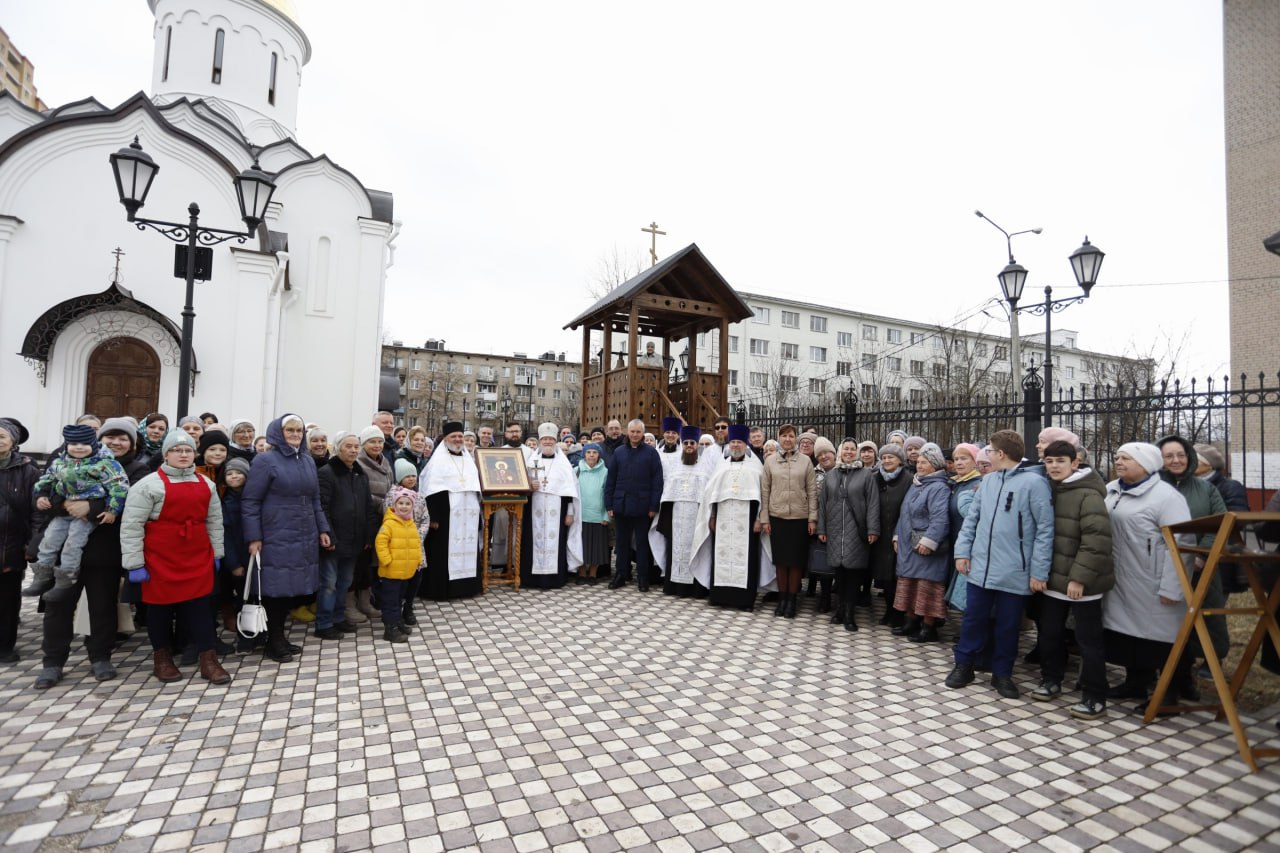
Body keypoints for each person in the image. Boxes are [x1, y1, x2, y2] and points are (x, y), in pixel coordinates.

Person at [946, 430, 1054, 699]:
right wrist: (962, 552)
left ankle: (1002, 673)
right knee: (973, 620)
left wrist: (1039, 571)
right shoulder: (989, 481)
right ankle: (964, 665)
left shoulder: (1034, 483)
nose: (988, 456)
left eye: (991, 451)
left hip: (1014, 570)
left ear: (1001, 454)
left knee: (1008, 625)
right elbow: (972, 520)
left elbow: (1044, 530)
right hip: (980, 567)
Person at [120, 429, 229, 684]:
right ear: (166, 454)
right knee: (160, 609)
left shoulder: (207, 484)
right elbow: (132, 526)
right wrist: (134, 564)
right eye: (176, 450)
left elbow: (214, 521)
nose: (183, 454)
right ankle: (162, 659)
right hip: (160, 557)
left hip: (197, 555)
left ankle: (208, 660)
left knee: (201, 608)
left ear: (194, 454)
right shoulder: (147, 485)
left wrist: (217, 553)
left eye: (188, 450)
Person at [1101, 442, 1196, 705]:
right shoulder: (1111, 490)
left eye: (1126, 458)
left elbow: (1182, 544)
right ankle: (1135, 683)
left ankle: (1169, 693)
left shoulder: (1166, 497)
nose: (1118, 462)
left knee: (1161, 638)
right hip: (1121, 577)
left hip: (1152, 580)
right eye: (1117, 457)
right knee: (1128, 636)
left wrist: (1173, 587)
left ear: (1146, 464)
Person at [1033, 439, 1114, 720]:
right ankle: (1050, 679)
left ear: (1075, 463)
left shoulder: (1089, 495)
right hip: (1053, 580)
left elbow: (1096, 541)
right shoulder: (1047, 489)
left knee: (1088, 640)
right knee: (1050, 633)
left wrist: (1079, 578)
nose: (1054, 466)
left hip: (1082, 583)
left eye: (1060, 461)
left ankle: (1094, 695)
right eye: (1049, 461)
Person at [241, 414, 332, 663]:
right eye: (290, 430)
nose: (295, 434)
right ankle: (273, 640)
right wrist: (254, 536)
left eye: (299, 430)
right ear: (278, 433)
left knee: (291, 588)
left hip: (303, 532)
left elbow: (314, 499)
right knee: (275, 589)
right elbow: (251, 501)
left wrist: (322, 529)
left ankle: (279, 637)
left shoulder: (307, 459)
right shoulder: (265, 460)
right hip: (275, 532)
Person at [1156, 435, 1228, 700]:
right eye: (1169, 456)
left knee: (1195, 623)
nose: (1176, 460)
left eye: (1181, 455)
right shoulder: (1154, 487)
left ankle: (1185, 680)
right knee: (1162, 625)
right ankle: (1154, 678)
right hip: (1160, 568)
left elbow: (1220, 523)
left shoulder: (1205, 489)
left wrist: (1201, 555)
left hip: (1199, 569)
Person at [25, 424, 130, 603]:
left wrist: (111, 510)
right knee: (50, 539)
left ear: (93, 444)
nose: (79, 447)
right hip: (64, 511)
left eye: (84, 444)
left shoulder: (105, 464)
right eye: (73, 444)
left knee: (73, 543)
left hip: (87, 515)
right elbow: (46, 480)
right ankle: (42, 575)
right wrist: (41, 495)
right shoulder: (60, 463)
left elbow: (119, 487)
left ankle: (66, 579)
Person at [690, 425, 775, 611]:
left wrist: (759, 519)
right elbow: (711, 495)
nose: (736, 445)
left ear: (746, 445)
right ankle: (719, 597)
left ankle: (745, 600)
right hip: (722, 522)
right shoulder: (722, 466)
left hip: (748, 523)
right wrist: (712, 516)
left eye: (739, 442)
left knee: (747, 559)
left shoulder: (756, 467)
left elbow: (763, 495)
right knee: (721, 556)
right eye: (733, 442)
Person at [315, 433, 380, 639]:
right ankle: (324, 623)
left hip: (355, 539)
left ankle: (338, 617)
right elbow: (322, 507)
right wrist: (328, 533)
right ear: (337, 448)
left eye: (356, 447)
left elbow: (367, 507)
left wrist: (368, 536)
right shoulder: (327, 473)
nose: (353, 450)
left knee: (345, 581)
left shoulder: (360, 474)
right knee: (329, 583)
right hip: (334, 539)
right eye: (348, 446)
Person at [891, 442, 952, 643]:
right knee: (910, 583)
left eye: (924, 462)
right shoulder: (917, 484)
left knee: (927, 586)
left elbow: (940, 519)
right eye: (918, 462)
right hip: (909, 544)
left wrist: (930, 541)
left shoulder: (939, 488)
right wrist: (897, 535)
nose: (919, 465)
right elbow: (904, 513)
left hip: (924, 547)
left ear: (935, 464)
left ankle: (929, 626)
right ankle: (911, 621)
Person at [817, 439, 879, 631]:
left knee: (853, 574)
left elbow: (873, 503)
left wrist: (873, 529)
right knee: (839, 573)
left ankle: (850, 614)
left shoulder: (866, 475)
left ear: (857, 452)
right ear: (840, 452)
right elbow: (823, 504)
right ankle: (840, 610)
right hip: (835, 530)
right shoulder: (831, 475)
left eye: (853, 449)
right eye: (846, 449)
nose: (849, 452)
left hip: (856, 531)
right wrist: (822, 528)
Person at [650, 426, 719, 597]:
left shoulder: (705, 468)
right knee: (676, 551)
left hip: (697, 518)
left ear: (697, 446)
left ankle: (696, 588)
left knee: (698, 550)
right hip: (677, 519)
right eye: (686, 442)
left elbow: (708, 495)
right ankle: (676, 587)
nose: (689, 446)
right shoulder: (675, 468)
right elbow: (667, 495)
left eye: (692, 443)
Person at [420, 421, 483, 599]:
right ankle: (442, 591)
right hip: (445, 517)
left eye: (460, 436)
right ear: (445, 439)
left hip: (468, 516)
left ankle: (467, 588)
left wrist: (478, 518)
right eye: (453, 436)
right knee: (442, 553)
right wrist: (433, 518)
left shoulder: (469, 461)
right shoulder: (437, 461)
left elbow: (476, 490)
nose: (457, 439)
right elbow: (431, 491)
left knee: (468, 549)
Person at [759, 424, 817, 618]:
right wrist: (765, 518)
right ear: (779, 439)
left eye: (791, 436)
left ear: (796, 439)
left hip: (799, 518)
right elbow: (765, 491)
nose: (787, 439)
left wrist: (812, 519)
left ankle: (792, 600)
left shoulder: (805, 462)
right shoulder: (770, 462)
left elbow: (812, 491)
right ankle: (782, 599)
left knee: (796, 562)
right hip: (777, 517)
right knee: (781, 562)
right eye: (784, 436)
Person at [0, 418, 42, 664]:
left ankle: (5, 647)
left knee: (7, 598)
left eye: (2, 436)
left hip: (11, 543)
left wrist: (34, 541)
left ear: (13, 441)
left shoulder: (28, 470)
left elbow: (36, 510)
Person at [604, 419, 664, 591]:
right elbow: (611, 480)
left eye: (638, 432)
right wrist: (609, 505)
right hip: (621, 505)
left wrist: (653, 506)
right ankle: (621, 575)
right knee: (622, 543)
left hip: (643, 507)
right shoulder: (619, 452)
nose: (635, 435)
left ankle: (643, 578)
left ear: (642, 433)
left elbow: (657, 482)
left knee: (642, 544)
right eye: (632, 431)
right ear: (627, 432)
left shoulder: (651, 453)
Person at [521, 424, 583, 589]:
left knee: (556, 541)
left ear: (555, 441)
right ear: (540, 441)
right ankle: (531, 579)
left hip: (558, 511)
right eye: (545, 439)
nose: (548, 442)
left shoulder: (564, 465)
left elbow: (570, 492)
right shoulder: (530, 462)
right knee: (532, 541)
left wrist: (570, 512)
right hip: (534, 509)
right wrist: (529, 486)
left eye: (551, 439)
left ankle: (555, 579)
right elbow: (520, 485)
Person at [870, 444, 912, 626]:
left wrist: (898, 532)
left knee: (897, 576)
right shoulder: (875, 478)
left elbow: (908, 508)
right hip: (880, 533)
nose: (887, 461)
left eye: (891, 457)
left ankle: (898, 613)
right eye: (884, 457)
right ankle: (888, 609)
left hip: (898, 533)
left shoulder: (908, 479)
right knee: (884, 576)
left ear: (900, 460)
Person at [376, 487, 422, 643]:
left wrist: (418, 560)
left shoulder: (410, 523)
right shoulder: (389, 523)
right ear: (395, 505)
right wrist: (387, 560)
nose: (404, 506)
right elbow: (380, 543)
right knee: (390, 601)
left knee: (398, 600)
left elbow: (416, 544)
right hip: (391, 572)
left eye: (408, 504)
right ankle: (390, 629)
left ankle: (397, 622)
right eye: (400, 503)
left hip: (405, 572)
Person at [576, 443, 609, 584]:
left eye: (594, 452)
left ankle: (593, 573)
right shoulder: (577, 471)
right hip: (581, 515)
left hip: (598, 515)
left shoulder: (605, 472)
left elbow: (608, 494)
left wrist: (606, 515)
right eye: (588, 452)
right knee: (581, 545)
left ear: (599, 455)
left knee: (596, 547)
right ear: (584, 454)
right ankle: (582, 572)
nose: (591, 455)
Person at [196, 430, 230, 494]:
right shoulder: (193, 471)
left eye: (222, 450)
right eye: (212, 449)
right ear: (203, 452)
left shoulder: (229, 471)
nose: (218, 453)